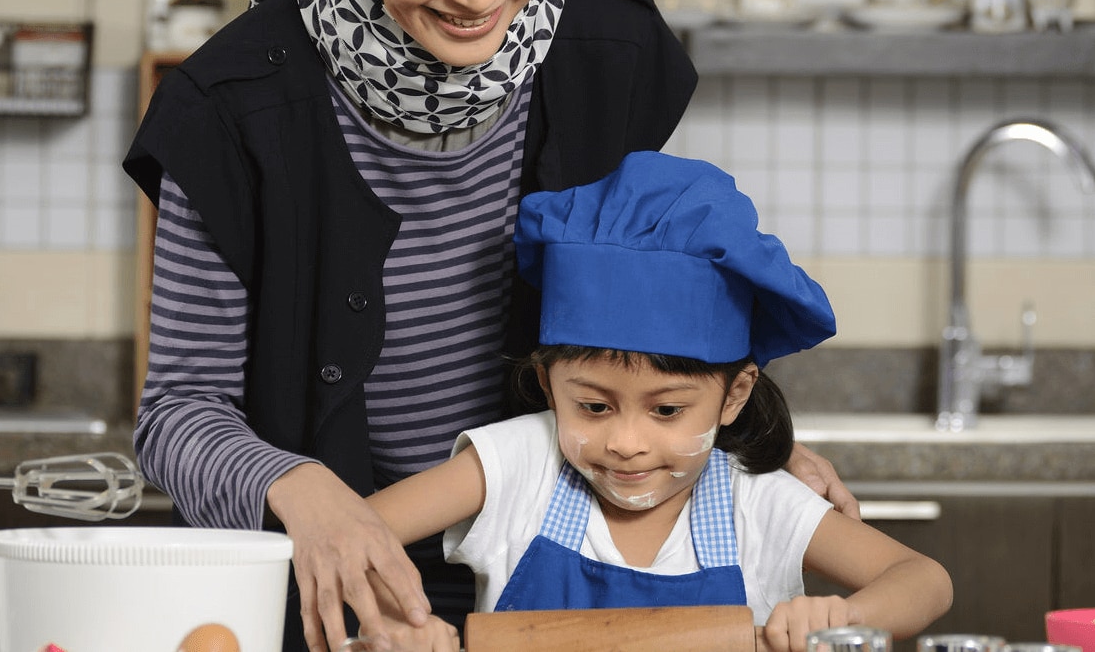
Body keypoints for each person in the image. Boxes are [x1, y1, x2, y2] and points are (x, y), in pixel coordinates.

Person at [123, 0, 858, 652]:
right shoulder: (233, 108)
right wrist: (303, 491)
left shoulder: (605, 50)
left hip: (547, 599)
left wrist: (730, 449)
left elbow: (651, 315)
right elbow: (178, 412)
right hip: (335, 587)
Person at [366, 151, 954, 652]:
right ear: (548, 386)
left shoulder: (754, 502)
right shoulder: (519, 466)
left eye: (667, 410)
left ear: (735, 396)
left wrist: (841, 621)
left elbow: (924, 579)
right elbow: (355, 534)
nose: (626, 442)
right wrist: (397, 622)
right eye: (593, 407)